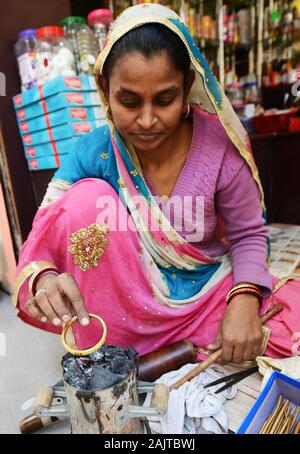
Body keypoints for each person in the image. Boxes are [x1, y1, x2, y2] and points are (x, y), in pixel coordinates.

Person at [13, 4, 300, 364]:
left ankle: (149, 352)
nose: (147, 120)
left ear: (186, 90)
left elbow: (248, 235)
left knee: (294, 319)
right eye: (129, 101)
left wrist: (244, 299)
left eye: (164, 99)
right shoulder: (95, 150)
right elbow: (44, 231)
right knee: (86, 200)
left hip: (203, 296)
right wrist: (44, 279)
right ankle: (113, 347)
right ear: (105, 89)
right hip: (122, 310)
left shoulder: (219, 149)